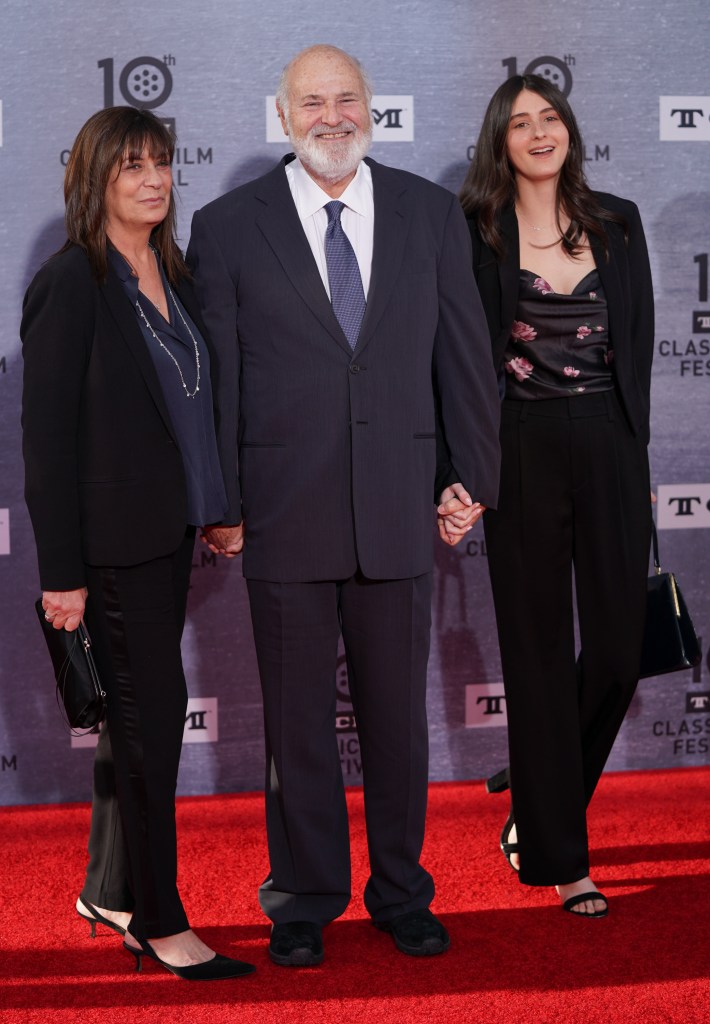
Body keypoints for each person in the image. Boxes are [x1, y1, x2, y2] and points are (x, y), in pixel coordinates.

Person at [187, 44, 500, 965]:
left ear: (372, 109)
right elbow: (221, 379)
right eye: (312, 102)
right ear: (282, 117)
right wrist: (225, 502)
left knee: (399, 723)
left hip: (402, 505)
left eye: (347, 99)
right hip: (281, 510)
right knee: (295, 726)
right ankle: (303, 899)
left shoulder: (428, 213)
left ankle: (402, 892)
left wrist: (470, 476)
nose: (332, 116)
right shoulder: (228, 224)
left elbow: (464, 362)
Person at [21, 107, 254, 980]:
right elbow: (46, 441)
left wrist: (221, 505)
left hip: (170, 539)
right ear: (94, 178)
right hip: (110, 550)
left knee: (142, 723)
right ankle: (158, 920)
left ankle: (111, 890)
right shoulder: (73, 281)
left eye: (160, 163)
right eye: (130, 167)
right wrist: (62, 579)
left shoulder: (177, 274)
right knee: (151, 727)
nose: (152, 180)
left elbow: (196, 409)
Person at [459, 75, 654, 916]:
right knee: (536, 656)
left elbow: (638, 342)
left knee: (615, 651)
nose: (539, 132)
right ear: (498, 141)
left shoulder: (616, 220)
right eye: (520, 123)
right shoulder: (477, 233)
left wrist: (632, 451)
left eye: (550, 118)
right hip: (521, 452)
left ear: (568, 129)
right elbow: (463, 362)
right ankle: (561, 857)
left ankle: (538, 788)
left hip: (608, 443)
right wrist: (461, 467)